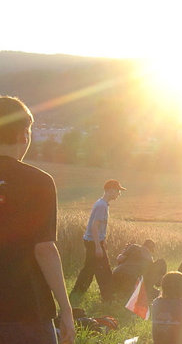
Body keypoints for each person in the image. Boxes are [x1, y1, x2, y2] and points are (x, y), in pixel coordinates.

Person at [0, 96, 75, 343]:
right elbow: (44, 250)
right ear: (24, 135)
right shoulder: (39, 182)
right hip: (27, 310)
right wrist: (66, 309)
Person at [70, 179, 126, 302]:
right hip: (93, 242)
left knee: (89, 269)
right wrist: (97, 246)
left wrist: (103, 240)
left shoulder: (102, 204)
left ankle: (77, 292)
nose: (119, 194)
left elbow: (99, 227)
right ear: (110, 190)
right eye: (117, 191)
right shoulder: (102, 206)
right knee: (104, 270)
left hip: (93, 241)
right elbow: (94, 226)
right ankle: (109, 297)